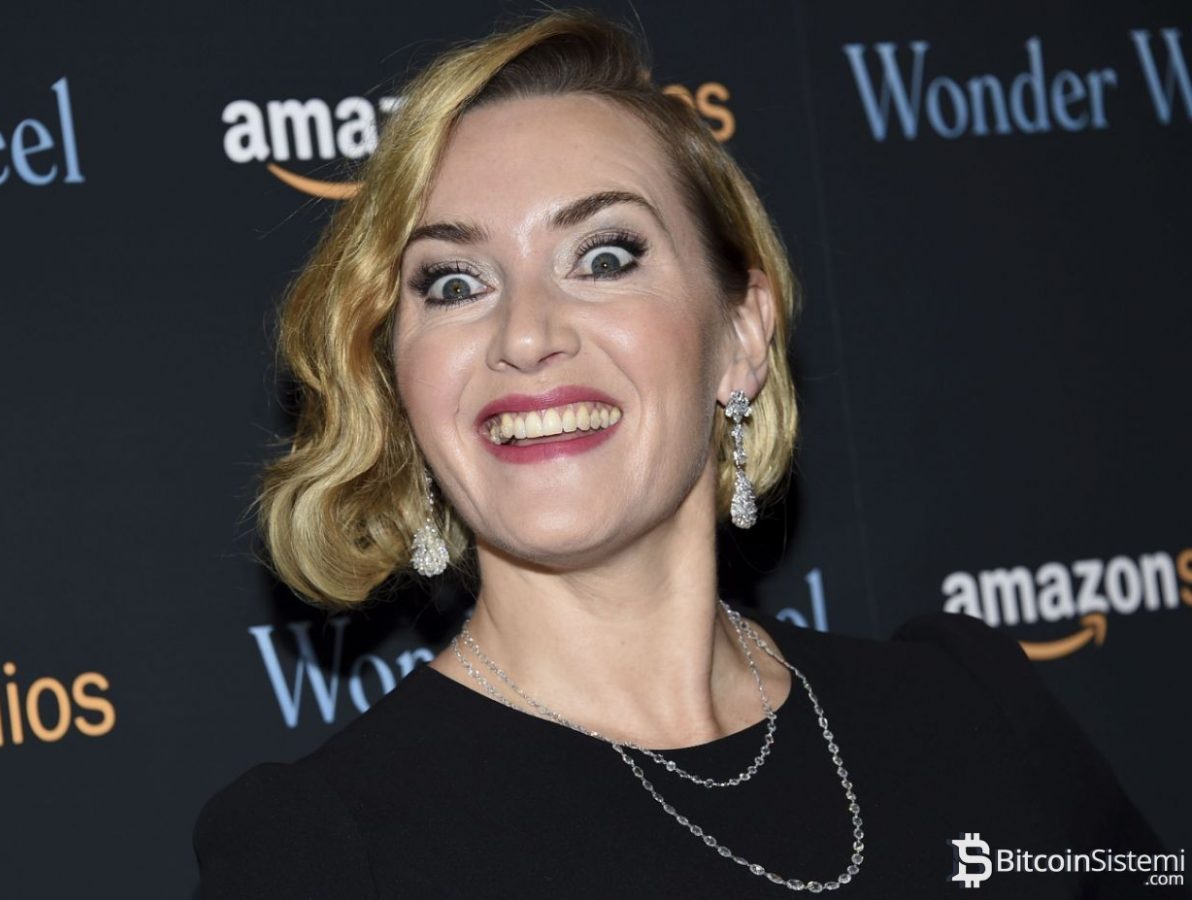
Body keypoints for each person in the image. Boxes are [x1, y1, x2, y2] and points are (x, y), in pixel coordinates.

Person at [193, 9, 1178, 898]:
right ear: (397, 380)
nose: (525, 335)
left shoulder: (968, 711)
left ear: (741, 335)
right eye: (454, 283)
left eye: (604, 257)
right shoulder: (323, 852)